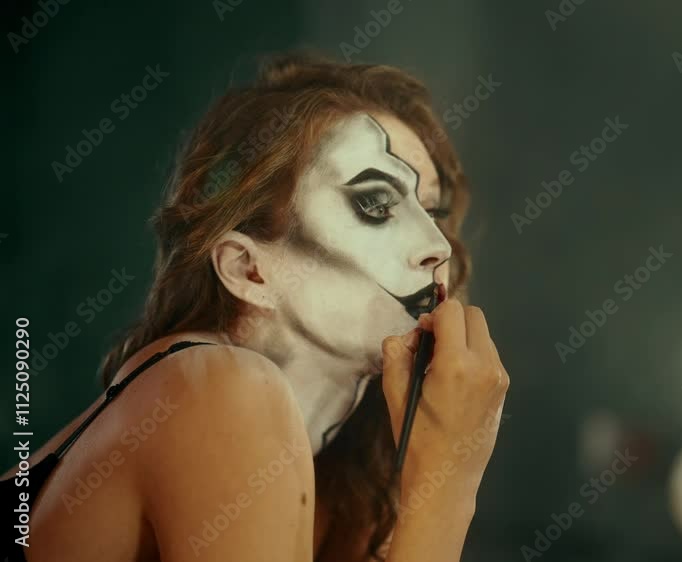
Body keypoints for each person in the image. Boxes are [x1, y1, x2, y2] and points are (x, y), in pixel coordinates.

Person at [2, 53, 510, 562]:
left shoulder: (345, 476)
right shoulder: (221, 389)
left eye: (433, 212)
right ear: (248, 270)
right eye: (376, 204)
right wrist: (448, 479)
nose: (438, 247)